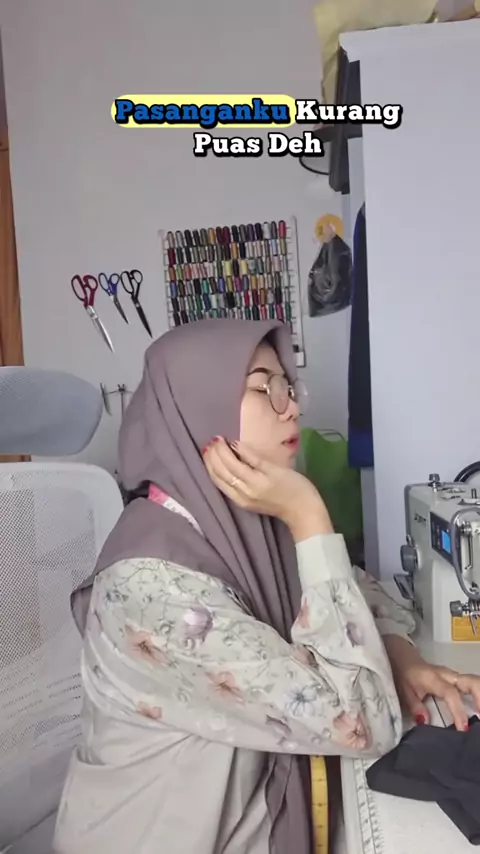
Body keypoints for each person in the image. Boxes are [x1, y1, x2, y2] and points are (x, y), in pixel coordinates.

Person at [54, 319, 480, 854]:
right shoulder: (149, 592)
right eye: (264, 388)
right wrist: (308, 514)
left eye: (289, 387)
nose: (291, 407)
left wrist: (402, 656)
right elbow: (362, 722)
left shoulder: (241, 524)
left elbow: (359, 591)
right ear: (199, 405)